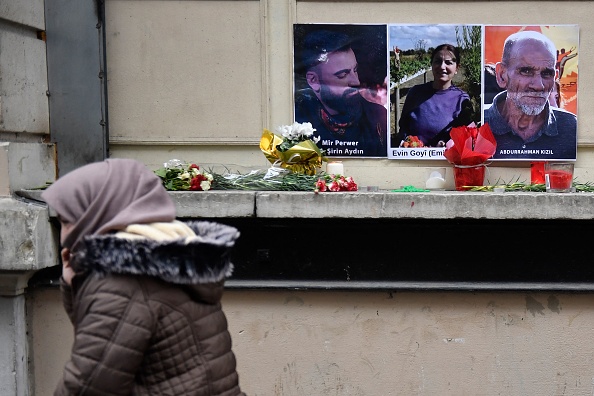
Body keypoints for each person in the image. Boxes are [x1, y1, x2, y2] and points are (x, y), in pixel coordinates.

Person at [41, 158, 246, 396]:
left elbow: (88, 385)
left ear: (99, 214)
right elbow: (104, 347)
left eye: (66, 221)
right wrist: (72, 281)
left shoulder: (122, 282)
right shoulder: (167, 255)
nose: (63, 234)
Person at [484, 30, 577, 160]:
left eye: (547, 74)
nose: (539, 85)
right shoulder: (476, 124)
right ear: (502, 75)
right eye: (526, 71)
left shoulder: (571, 128)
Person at [294, 29, 388, 157]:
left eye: (355, 70)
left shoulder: (378, 118)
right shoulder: (298, 123)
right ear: (314, 81)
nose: (356, 81)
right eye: (342, 75)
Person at [395, 44, 473, 148]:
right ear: (431, 64)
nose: (442, 66)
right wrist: (408, 143)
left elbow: (465, 137)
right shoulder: (415, 93)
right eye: (437, 61)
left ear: (457, 68)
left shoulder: (462, 100)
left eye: (448, 63)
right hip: (415, 159)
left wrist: (445, 144)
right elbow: (403, 126)